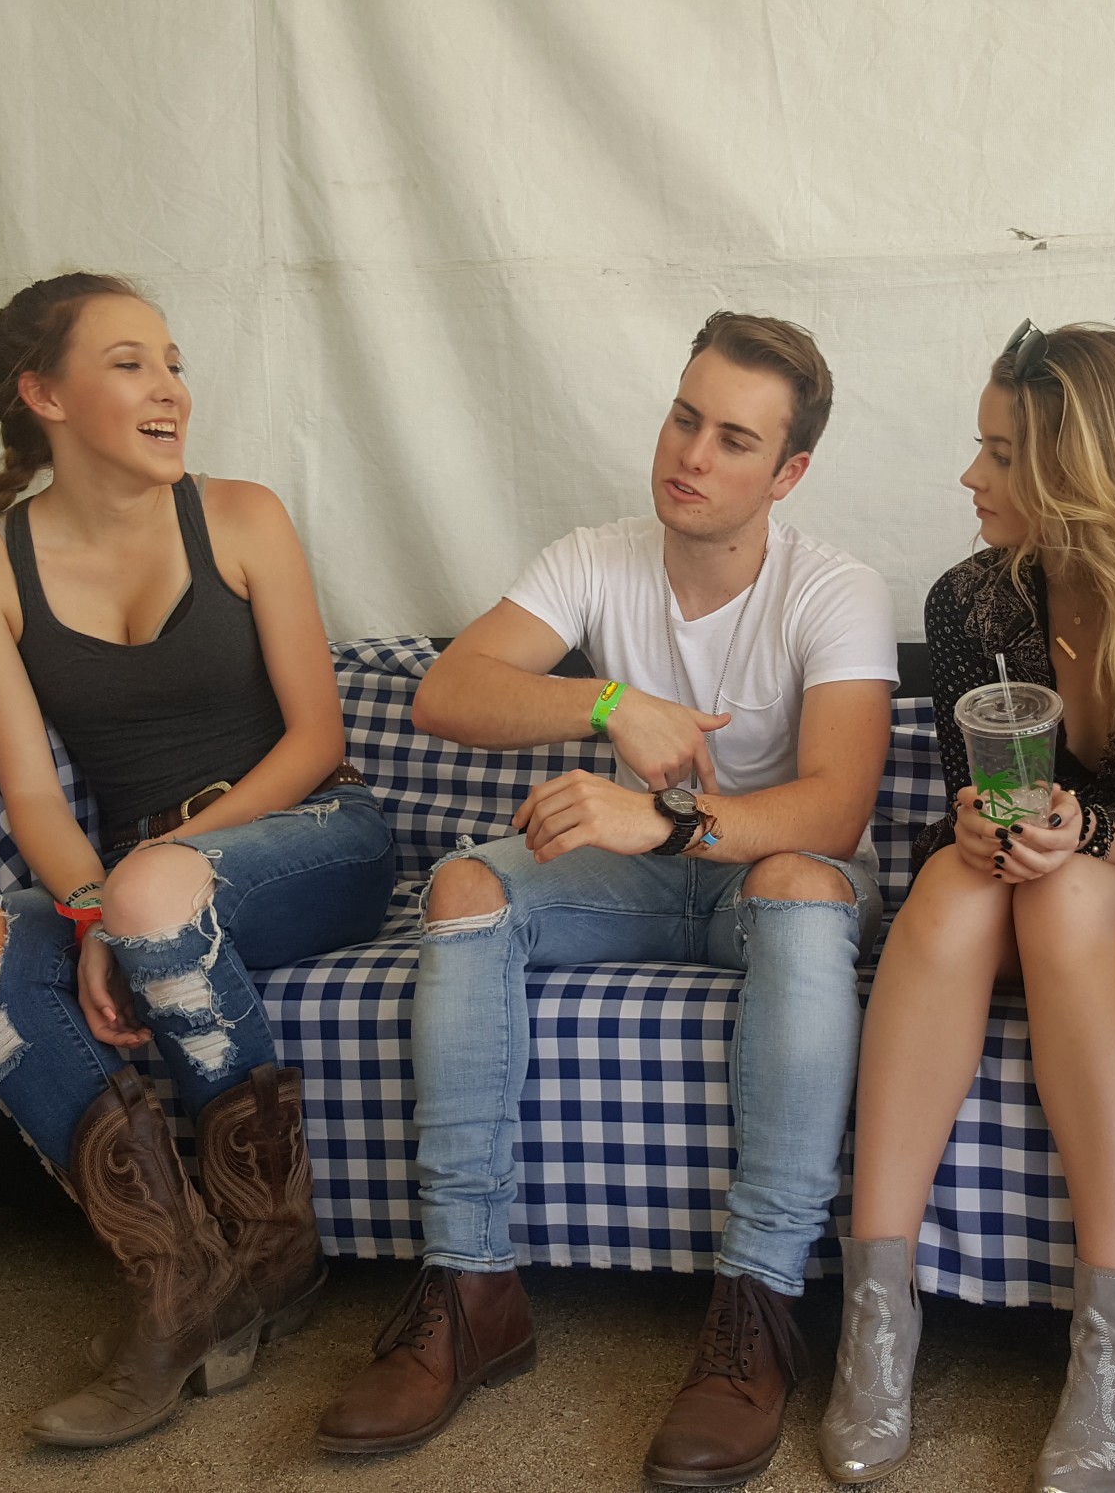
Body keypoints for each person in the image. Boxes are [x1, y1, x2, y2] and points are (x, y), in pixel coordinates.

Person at [314, 311, 897, 1484]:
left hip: (771, 879)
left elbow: (833, 812)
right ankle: (469, 1287)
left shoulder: (836, 588)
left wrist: (667, 820)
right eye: (685, 418)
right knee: (464, 886)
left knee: (796, 882)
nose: (692, 454)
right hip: (635, 880)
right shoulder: (594, 555)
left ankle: (759, 1306)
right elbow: (446, 693)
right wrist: (605, 704)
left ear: (787, 474)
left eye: (734, 440)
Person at [0, 273, 397, 1448]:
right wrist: (94, 913)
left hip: (312, 840)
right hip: (139, 886)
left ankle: (278, 1253)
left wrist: (143, 882)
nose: (171, 389)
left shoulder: (241, 517)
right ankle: (180, 1284)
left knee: (149, 890)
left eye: (173, 363)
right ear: (45, 395)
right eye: (130, 364)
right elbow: (35, 796)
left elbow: (316, 739)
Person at [820, 322, 1115, 1491]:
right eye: (983, 447)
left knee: (1061, 896)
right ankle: (876, 1310)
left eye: (1003, 454)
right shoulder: (973, 601)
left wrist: (1094, 836)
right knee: (960, 877)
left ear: (1088, 469)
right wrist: (977, 822)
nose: (972, 476)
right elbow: (977, 795)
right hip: (1011, 889)